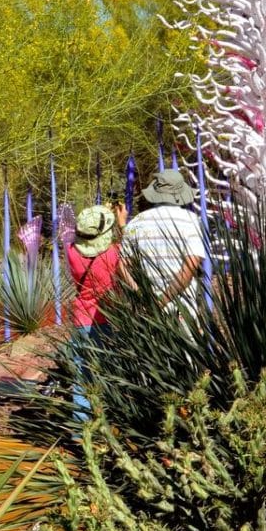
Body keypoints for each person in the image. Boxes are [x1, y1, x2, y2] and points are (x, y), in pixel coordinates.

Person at [66, 204, 121, 419]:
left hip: (81, 318)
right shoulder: (113, 253)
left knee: (81, 375)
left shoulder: (71, 251)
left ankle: (81, 428)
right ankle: (107, 423)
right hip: (106, 318)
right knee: (107, 373)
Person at [120, 169, 205, 306]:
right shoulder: (191, 221)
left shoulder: (136, 222)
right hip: (182, 309)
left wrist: (141, 293)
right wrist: (163, 301)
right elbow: (190, 265)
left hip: (145, 309)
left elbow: (122, 265)